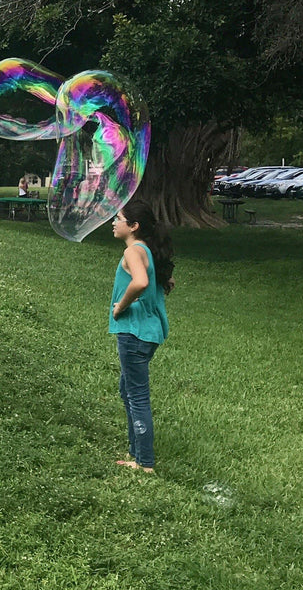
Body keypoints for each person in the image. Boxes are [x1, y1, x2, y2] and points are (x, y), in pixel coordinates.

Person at [109, 199, 174, 474]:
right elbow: (167, 282)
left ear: (133, 226)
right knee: (128, 390)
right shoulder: (147, 250)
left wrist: (120, 307)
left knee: (136, 395)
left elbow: (141, 282)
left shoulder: (133, 252)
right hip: (147, 333)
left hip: (134, 332)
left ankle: (144, 462)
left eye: (118, 219)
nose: (113, 222)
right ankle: (135, 451)